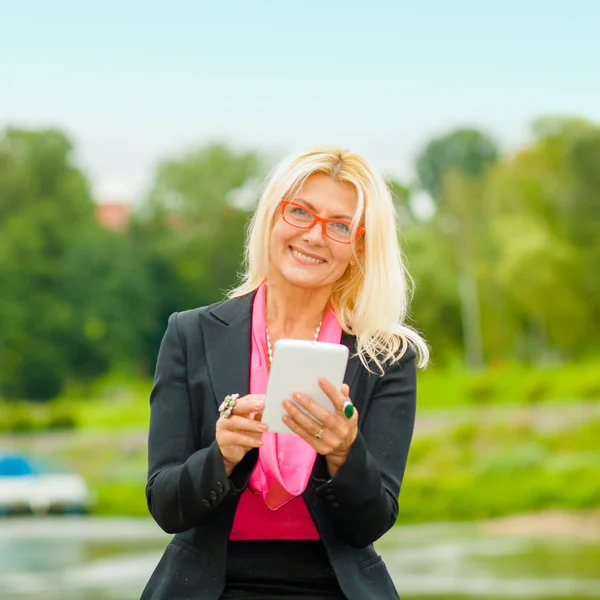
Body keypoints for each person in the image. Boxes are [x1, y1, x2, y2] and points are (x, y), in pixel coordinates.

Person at [140, 146, 429, 600]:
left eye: (340, 226)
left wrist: (344, 453)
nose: (315, 236)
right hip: (208, 587)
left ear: (359, 247)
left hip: (335, 588)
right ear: (273, 218)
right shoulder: (190, 334)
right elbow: (166, 506)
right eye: (301, 213)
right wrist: (223, 454)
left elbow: (372, 522)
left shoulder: (386, 355)